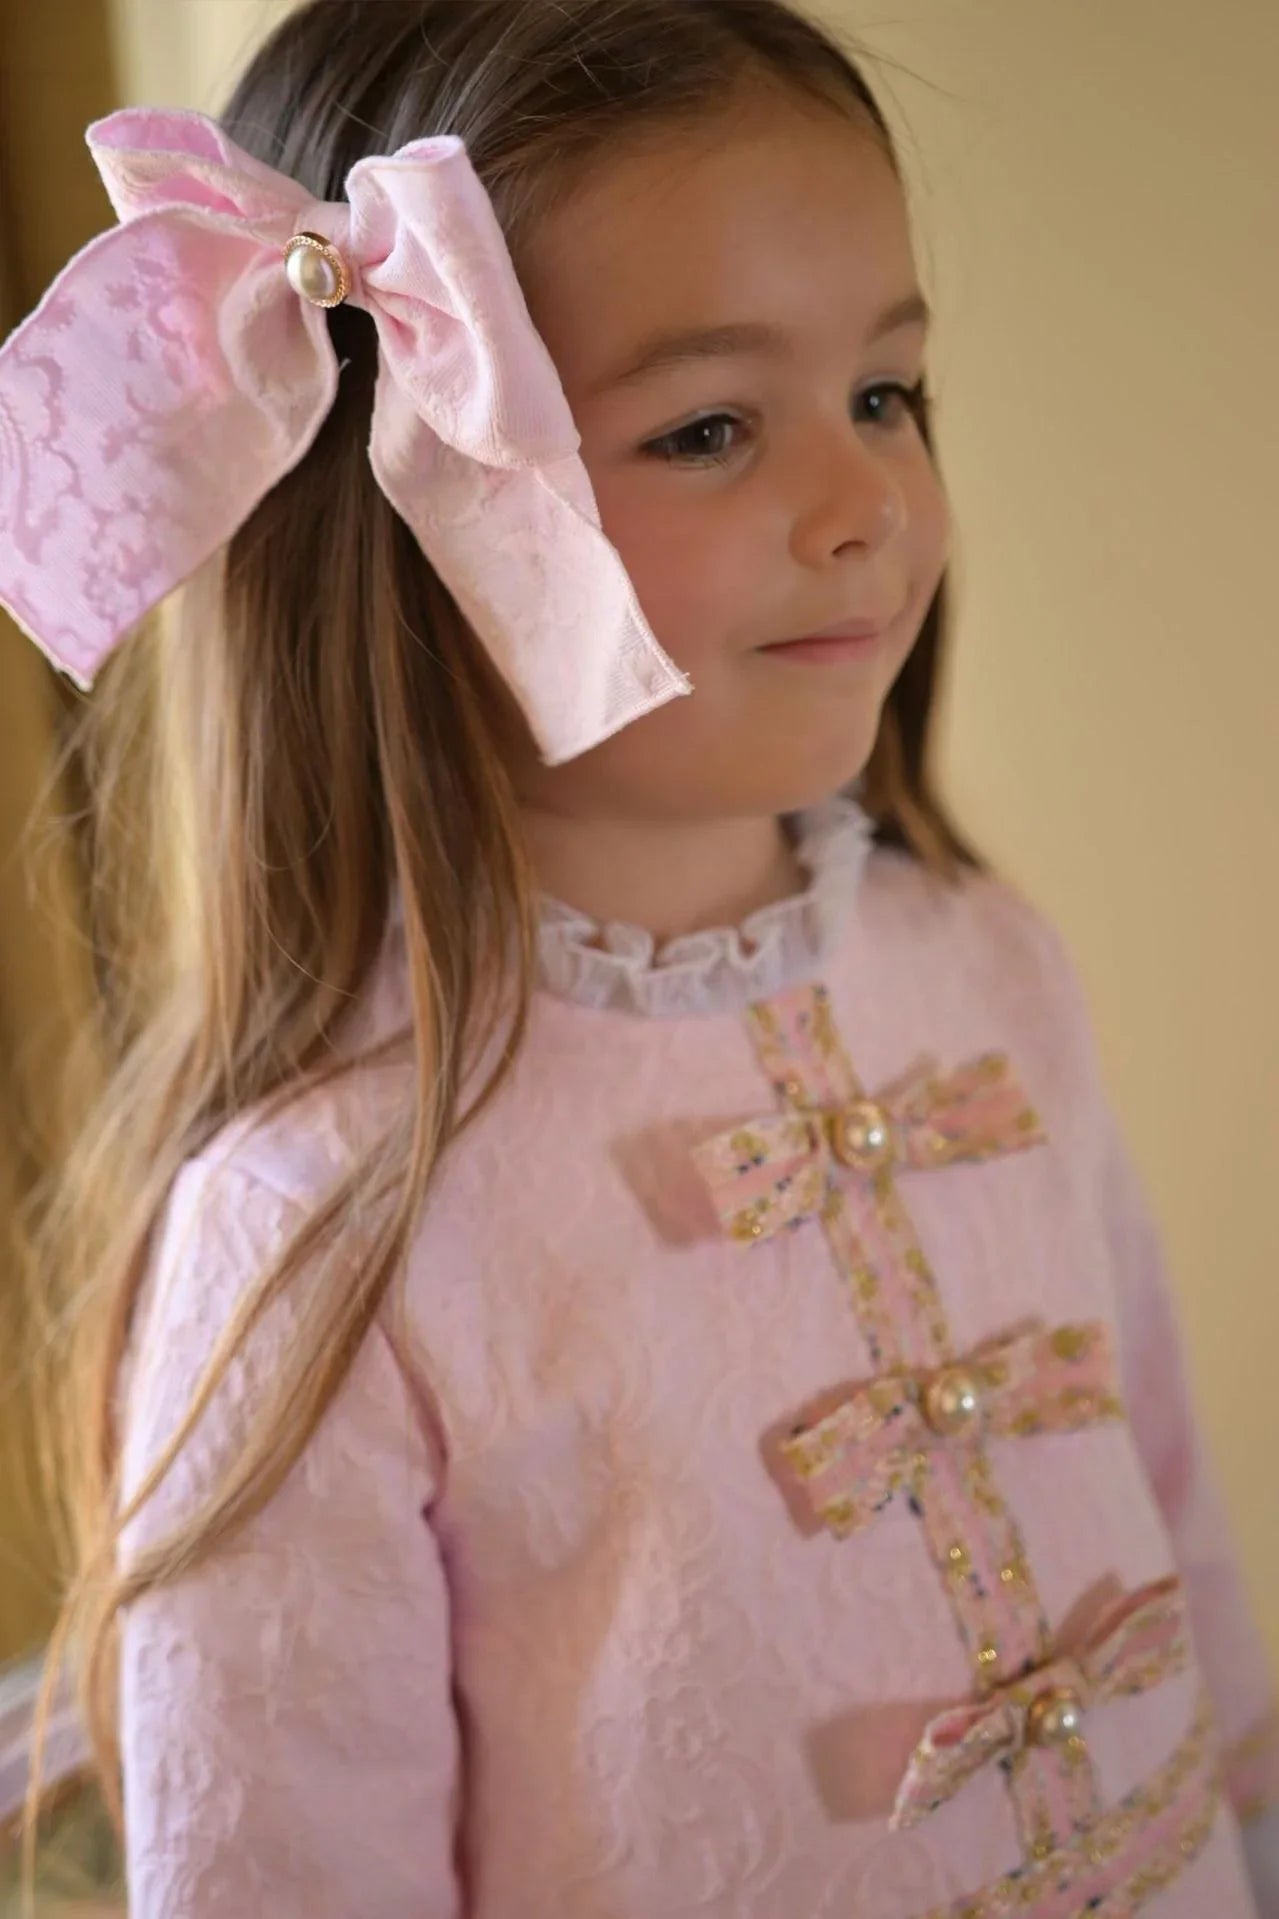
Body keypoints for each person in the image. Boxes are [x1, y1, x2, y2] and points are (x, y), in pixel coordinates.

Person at [2, 2, 1275, 1914]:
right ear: (398, 511)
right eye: (708, 427)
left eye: (888, 393)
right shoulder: (319, 1218)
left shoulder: (990, 967)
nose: (872, 508)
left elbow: (1170, 1514)